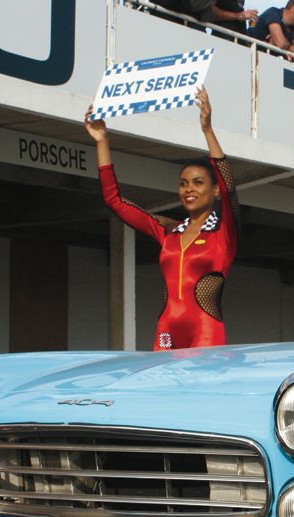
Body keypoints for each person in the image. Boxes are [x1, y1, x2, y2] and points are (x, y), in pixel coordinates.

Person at [85, 88, 239, 350]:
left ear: (214, 190)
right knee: (160, 378)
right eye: (183, 183)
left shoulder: (224, 232)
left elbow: (229, 188)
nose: (189, 189)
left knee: (197, 379)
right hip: (166, 331)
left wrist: (207, 130)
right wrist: (102, 141)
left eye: (198, 182)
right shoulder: (169, 231)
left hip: (205, 332)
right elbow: (114, 201)